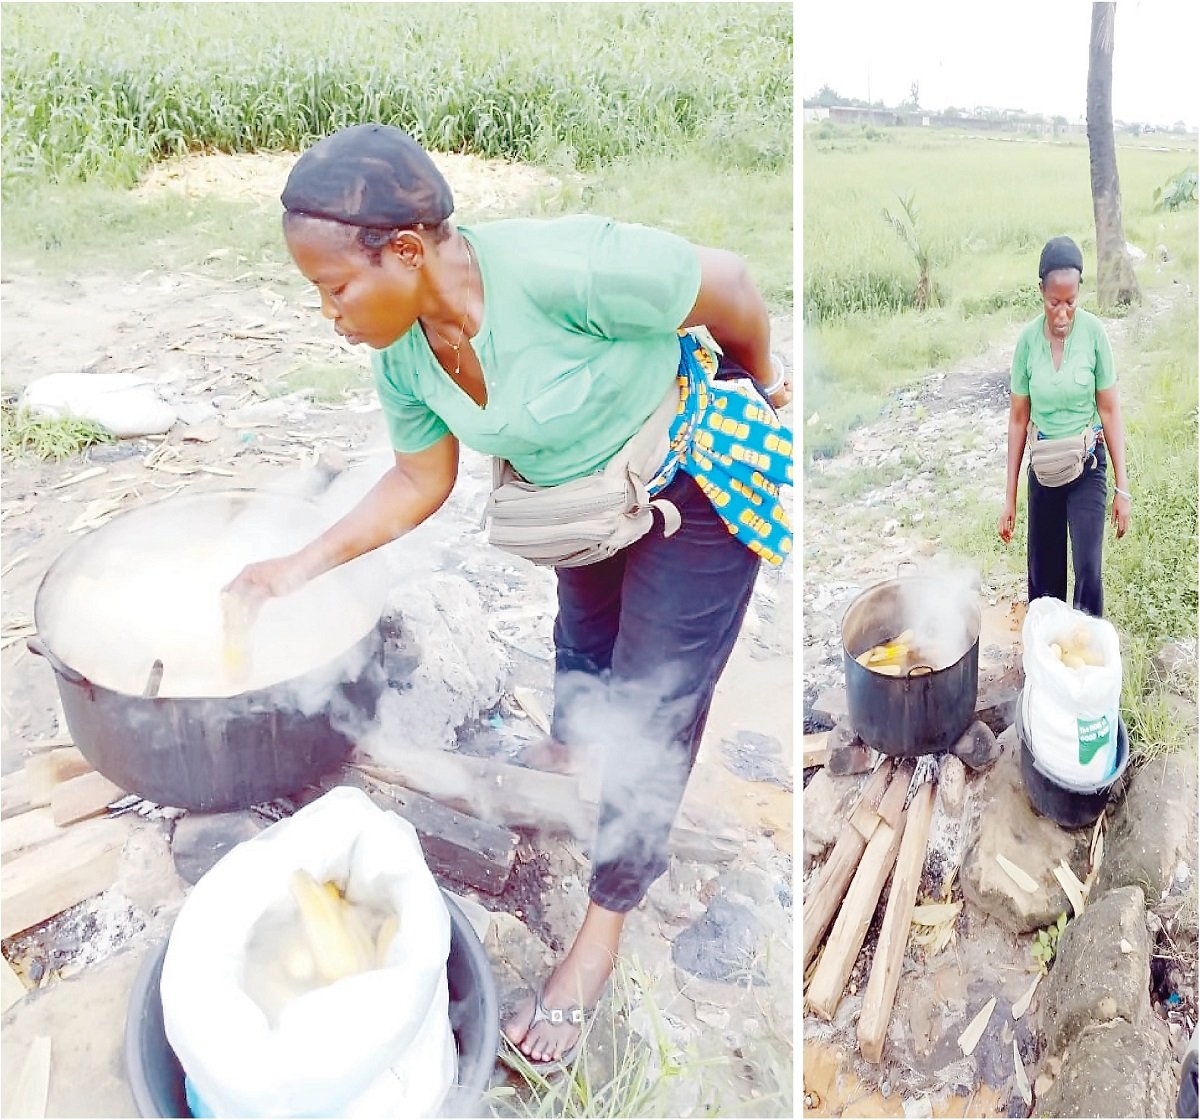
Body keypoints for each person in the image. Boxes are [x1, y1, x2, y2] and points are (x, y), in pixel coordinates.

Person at [225, 124, 793, 1067]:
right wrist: (292, 569)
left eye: (334, 287)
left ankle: (602, 933)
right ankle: (572, 754)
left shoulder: (565, 268)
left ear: (405, 251)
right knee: (583, 636)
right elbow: (420, 479)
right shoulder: (405, 353)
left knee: (655, 708)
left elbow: (729, 285)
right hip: (580, 503)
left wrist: (762, 381)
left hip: (692, 479)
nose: (327, 313)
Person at [998, 235, 1130, 616]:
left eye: (1070, 303)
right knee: (1043, 581)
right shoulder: (1026, 343)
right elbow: (1019, 419)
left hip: (1087, 466)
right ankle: (1048, 665)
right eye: (1054, 302)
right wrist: (1009, 498)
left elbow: (1110, 412)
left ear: (1078, 295)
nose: (1062, 314)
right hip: (1044, 470)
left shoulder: (1094, 336)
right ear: (1041, 292)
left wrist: (1123, 489)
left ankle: (1086, 668)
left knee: (1088, 570)